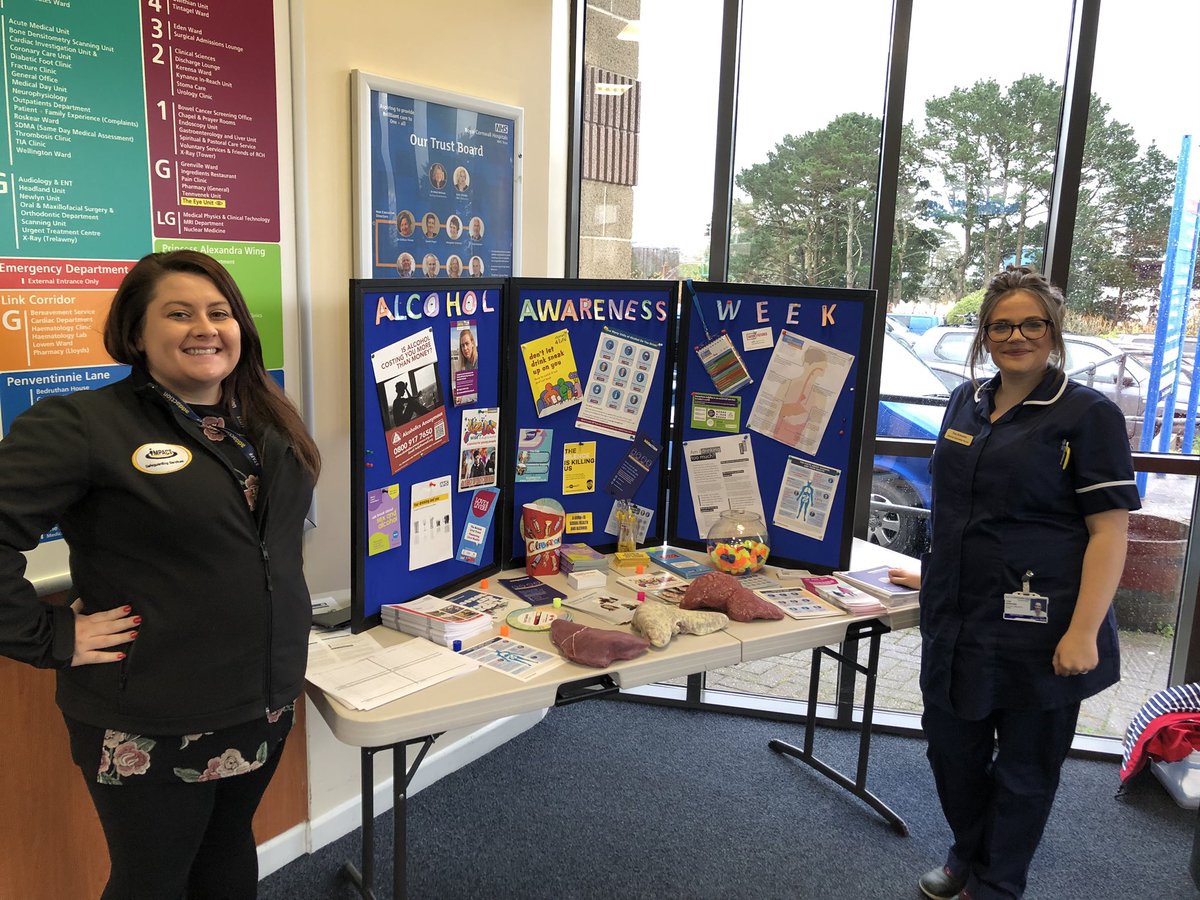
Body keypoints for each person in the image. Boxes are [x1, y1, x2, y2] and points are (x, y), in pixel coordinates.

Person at [0, 250, 321, 899]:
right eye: (178, 313)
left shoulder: (260, 421)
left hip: (260, 697)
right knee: (153, 880)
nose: (205, 326)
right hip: (150, 716)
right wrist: (51, 637)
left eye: (219, 311)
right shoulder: (85, 425)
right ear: (136, 334)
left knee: (228, 851)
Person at [888, 266, 1139, 900]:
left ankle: (998, 883)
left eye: (1032, 323)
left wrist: (1084, 631)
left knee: (1026, 769)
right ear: (984, 334)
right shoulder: (964, 400)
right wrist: (930, 572)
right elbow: (961, 509)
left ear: (1054, 332)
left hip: (1046, 625)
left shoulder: (1088, 414)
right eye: (1001, 325)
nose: (1016, 335)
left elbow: (1110, 533)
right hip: (959, 616)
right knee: (951, 750)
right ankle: (967, 851)